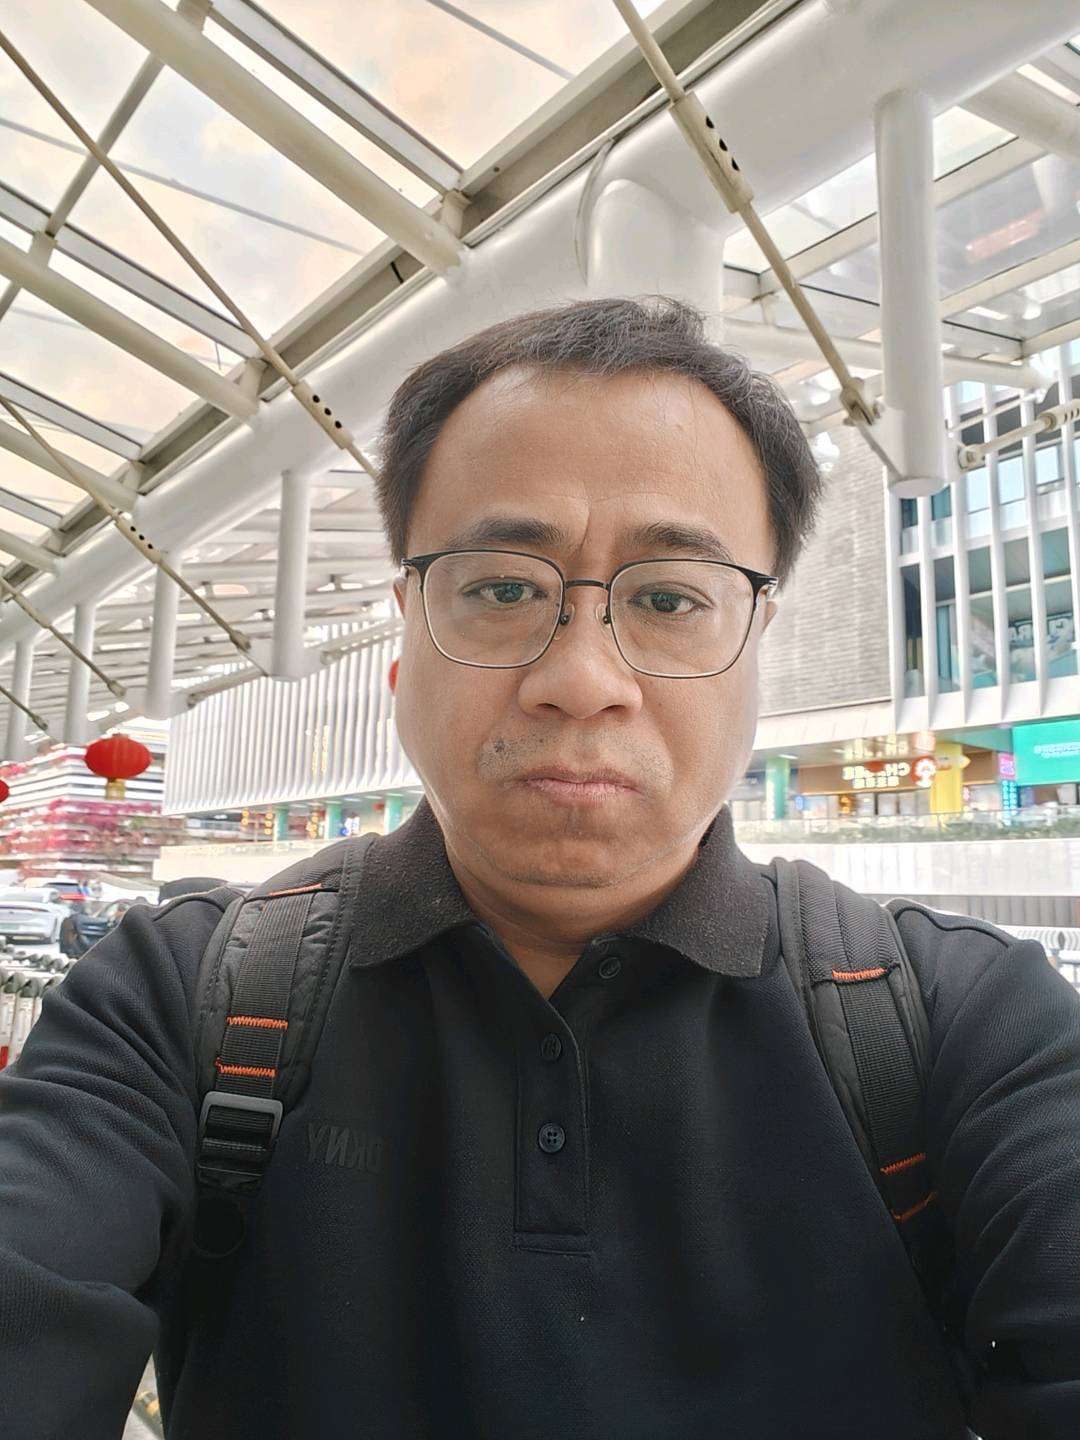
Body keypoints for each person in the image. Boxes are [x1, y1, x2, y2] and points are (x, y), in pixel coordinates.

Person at [2, 298, 1079, 1440]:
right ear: (405, 629)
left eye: (667, 599)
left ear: (756, 644)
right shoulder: (175, 999)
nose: (581, 679)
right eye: (503, 589)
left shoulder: (969, 1022)